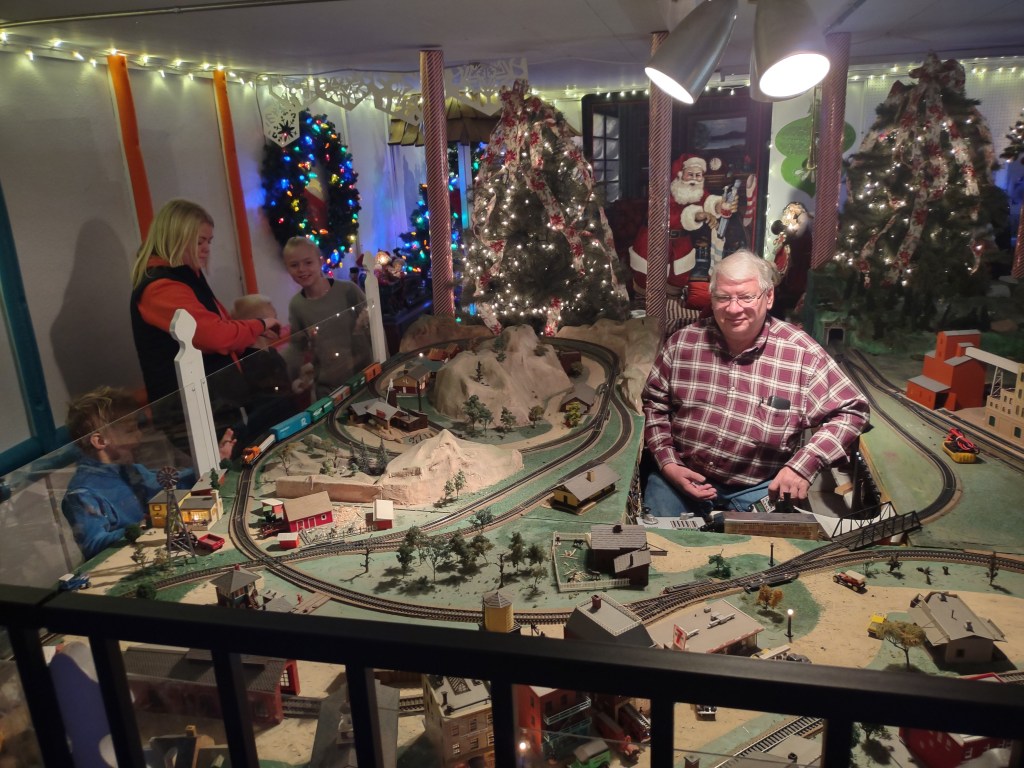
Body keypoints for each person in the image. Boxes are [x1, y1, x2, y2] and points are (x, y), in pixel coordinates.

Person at [641, 250, 870, 519]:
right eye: (723, 297)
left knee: (779, 546)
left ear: (768, 297)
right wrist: (668, 463)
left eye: (746, 297)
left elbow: (853, 410)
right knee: (654, 541)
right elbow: (654, 404)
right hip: (679, 479)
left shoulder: (802, 354)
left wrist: (803, 466)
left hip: (759, 487)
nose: (733, 308)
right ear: (712, 299)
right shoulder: (682, 344)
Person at [130, 199, 282, 405]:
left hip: (213, 399)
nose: (206, 249)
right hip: (189, 407)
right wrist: (260, 324)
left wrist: (252, 332)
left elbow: (218, 325)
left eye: (209, 242)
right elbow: (214, 336)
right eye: (199, 242)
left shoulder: (187, 275)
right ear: (176, 238)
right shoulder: (160, 287)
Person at [61, 387, 229, 560]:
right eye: (130, 430)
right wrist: (143, 527)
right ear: (100, 441)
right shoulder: (82, 494)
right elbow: (93, 545)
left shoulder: (130, 470)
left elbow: (170, 485)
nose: (139, 435)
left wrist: (210, 465)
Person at [629, 154, 741, 312]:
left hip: (681, 244)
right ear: (680, 174)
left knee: (677, 282)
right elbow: (671, 215)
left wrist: (721, 205)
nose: (694, 178)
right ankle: (643, 314)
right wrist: (699, 214)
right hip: (653, 242)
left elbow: (708, 200)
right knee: (646, 281)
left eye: (698, 175)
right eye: (690, 174)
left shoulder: (696, 191)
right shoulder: (664, 189)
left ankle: (672, 313)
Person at [282, 236, 371, 398]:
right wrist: (287, 375)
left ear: (320, 261)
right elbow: (297, 345)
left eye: (308, 262)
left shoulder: (349, 290)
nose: (301, 269)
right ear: (287, 268)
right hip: (329, 389)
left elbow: (373, 326)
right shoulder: (297, 305)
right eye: (294, 265)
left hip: (365, 377)